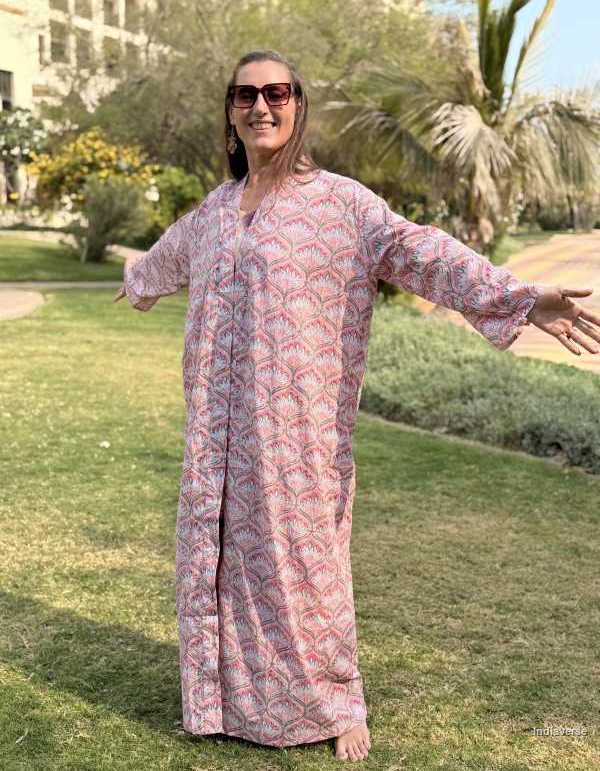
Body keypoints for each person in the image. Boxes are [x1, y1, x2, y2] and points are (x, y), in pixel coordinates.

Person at [114, 49, 600, 761]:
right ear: (230, 111)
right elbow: (163, 259)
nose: (261, 106)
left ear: (299, 105)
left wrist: (522, 298)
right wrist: (137, 279)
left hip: (297, 434)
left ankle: (339, 703)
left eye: (276, 92)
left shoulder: (342, 205)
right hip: (215, 437)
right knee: (218, 561)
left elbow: (421, 251)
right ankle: (225, 702)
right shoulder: (215, 213)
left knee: (305, 567)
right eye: (245, 95)